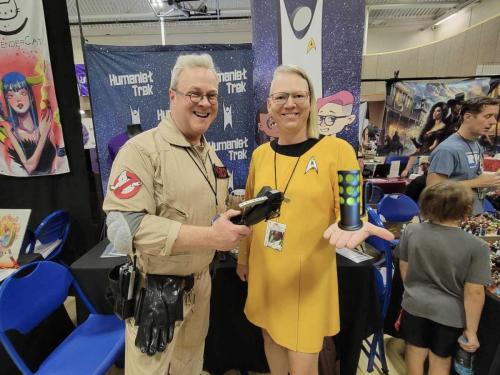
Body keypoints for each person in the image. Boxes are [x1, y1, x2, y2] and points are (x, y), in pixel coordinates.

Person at [236, 65, 394, 375]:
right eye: (281, 96)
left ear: (311, 101)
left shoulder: (338, 150)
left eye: (298, 95)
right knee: (270, 339)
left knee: (303, 360)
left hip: (308, 279)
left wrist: (354, 224)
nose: (290, 103)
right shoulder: (261, 156)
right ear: (270, 105)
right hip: (266, 272)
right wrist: (244, 258)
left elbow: (351, 212)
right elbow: (250, 213)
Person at [102, 53, 251, 375]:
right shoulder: (141, 151)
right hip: (156, 290)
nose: (204, 102)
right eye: (194, 93)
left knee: (190, 366)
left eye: (211, 95)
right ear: (172, 96)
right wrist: (211, 237)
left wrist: (240, 210)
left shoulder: (208, 152)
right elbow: (123, 227)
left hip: (200, 284)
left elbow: (210, 208)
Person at [395, 181, 491, 375]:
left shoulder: (411, 231)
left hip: (414, 305)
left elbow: (404, 267)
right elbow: (474, 292)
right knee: (440, 360)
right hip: (450, 315)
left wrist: (413, 290)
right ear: (466, 210)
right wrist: (471, 331)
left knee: (414, 351)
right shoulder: (476, 247)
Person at [427, 96, 500, 214]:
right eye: (488, 116)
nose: (493, 122)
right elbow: (433, 189)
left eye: (495, 117)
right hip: (451, 221)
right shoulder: (447, 149)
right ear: (468, 117)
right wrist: (478, 182)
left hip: (473, 216)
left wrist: (491, 183)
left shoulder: (476, 144)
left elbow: (471, 180)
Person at [1, 72, 59, 175]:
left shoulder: (44, 123)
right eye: (10, 96)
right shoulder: (12, 132)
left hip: (56, 183)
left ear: (31, 97)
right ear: (7, 101)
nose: (18, 99)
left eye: (22, 93)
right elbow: (29, 166)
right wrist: (43, 135)